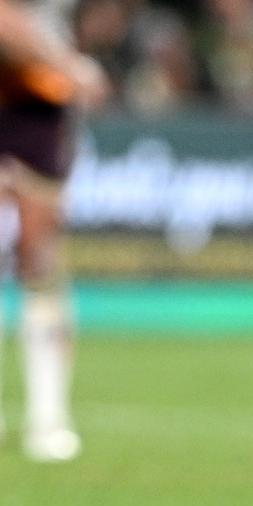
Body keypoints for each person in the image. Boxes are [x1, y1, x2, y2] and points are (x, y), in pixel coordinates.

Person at [0, 0, 107, 461]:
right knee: (37, 257)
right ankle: (48, 421)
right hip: (20, 88)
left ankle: (48, 416)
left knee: (40, 257)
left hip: (39, 101)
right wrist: (68, 64)